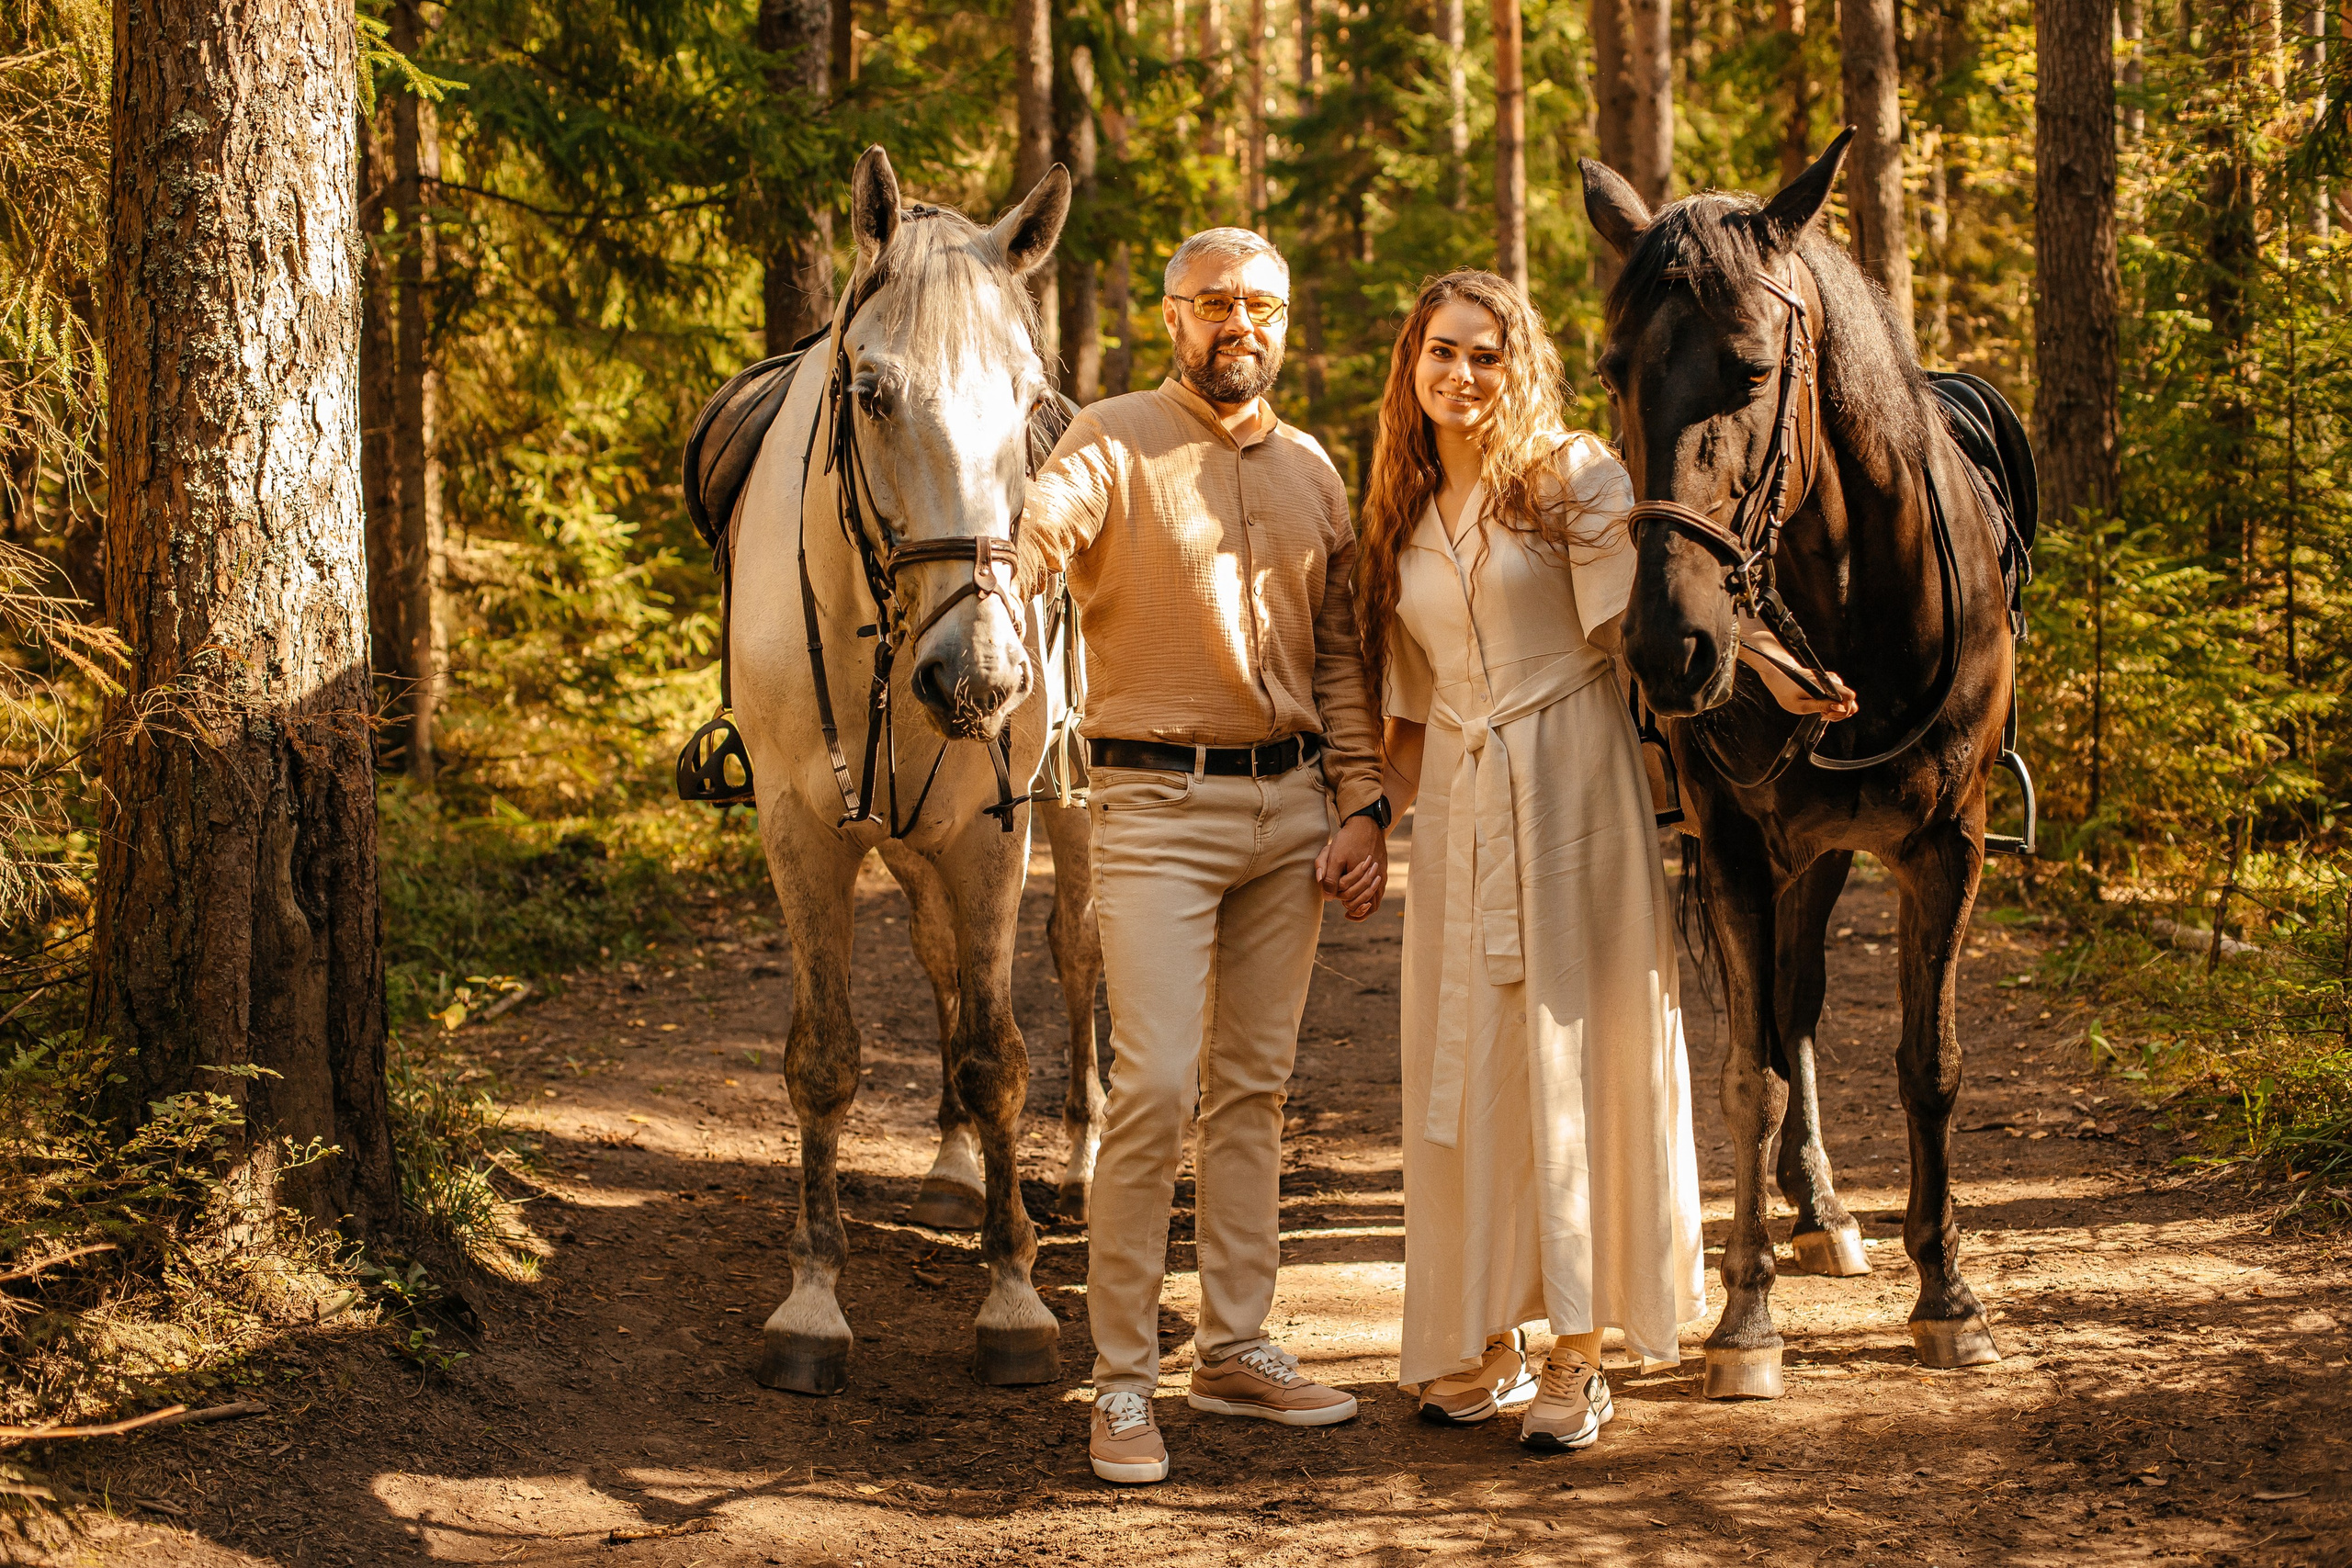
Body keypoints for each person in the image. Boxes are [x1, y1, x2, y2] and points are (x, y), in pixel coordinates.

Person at [1346, 270, 1856, 1451]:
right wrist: (1360, 818)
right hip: (1465, 810)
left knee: (1574, 1059)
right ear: (1410, 367)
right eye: (1440, 353)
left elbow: (1655, 634)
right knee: (1463, 1065)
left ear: (1517, 360)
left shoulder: (1572, 479)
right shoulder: (1405, 507)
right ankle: (1482, 1337)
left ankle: (1581, 1353)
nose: (1461, 375)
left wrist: (1778, 674)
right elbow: (1409, 723)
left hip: (1572, 786)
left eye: (1484, 352)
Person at [1011, 228, 1392, 1486]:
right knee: (1156, 1084)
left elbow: (1339, 653)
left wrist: (1360, 801)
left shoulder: (1318, 471)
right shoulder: (1108, 439)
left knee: (1254, 1090)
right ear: (1172, 318)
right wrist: (1001, 570)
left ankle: (1232, 1345)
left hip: (1293, 816)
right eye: (1217, 302)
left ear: (1287, 322)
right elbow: (1035, 542)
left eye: (1265, 305)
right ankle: (1121, 1378)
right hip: (1153, 808)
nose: (1243, 323)